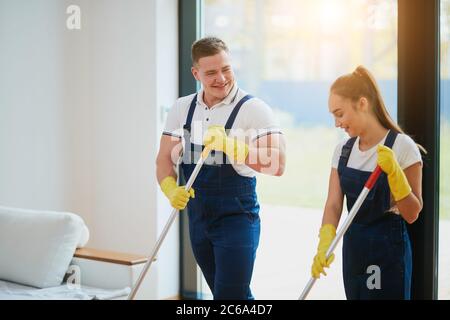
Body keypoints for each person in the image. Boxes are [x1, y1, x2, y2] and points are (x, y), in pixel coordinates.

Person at [156, 36, 286, 299]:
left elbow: (278, 163)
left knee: (231, 296)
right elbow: (164, 160)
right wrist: (170, 188)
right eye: (211, 72)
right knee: (223, 294)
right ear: (196, 73)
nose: (222, 78)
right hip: (198, 219)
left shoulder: (253, 109)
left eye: (226, 69)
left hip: (237, 217)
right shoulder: (183, 108)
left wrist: (233, 146)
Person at [310, 65, 424, 300]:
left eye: (340, 114)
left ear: (362, 103)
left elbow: (412, 213)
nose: (337, 123)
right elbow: (333, 204)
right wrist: (325, 241)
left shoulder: (402, 147)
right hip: (355, 248)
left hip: (388, 252)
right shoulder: (342, 150)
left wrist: (395, 174)